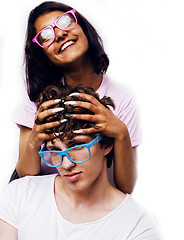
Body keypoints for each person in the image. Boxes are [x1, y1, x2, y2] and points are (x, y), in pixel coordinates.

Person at [13, 1, 141, 193]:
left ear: (82, 27)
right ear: (43, 55)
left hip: (89, 199)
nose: (60, 34)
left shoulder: (123, 98)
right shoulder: (36, 93)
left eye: (65, 22)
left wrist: (120, 132)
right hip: (43, 196)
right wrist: (34, 141)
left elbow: (125, 189)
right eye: (46, 35)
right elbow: (24, 179)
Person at [0, 85, 160, 239]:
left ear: (107, 144)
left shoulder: (137, 227)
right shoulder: (19, 195)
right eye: (55, 149)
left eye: (77, 146)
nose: (66, 164)